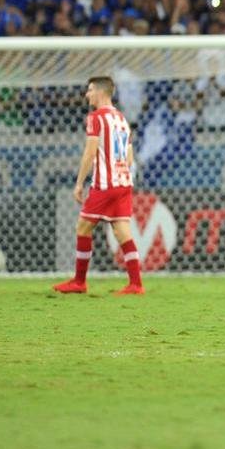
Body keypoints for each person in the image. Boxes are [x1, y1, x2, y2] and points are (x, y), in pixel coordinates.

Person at [52, 76, 144, 296]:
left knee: (83, 227)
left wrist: (79, 183)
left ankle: (79, 282)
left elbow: (90, 152)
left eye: (90, 90)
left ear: (101, 93)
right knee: (123, 232)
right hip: (124, 182)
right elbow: (130, 159)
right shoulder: (122, 119)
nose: (87, 94)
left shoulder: (95, 118)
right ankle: (136, 284)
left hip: (105, 184)